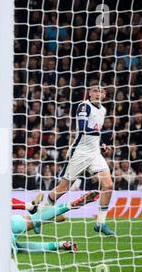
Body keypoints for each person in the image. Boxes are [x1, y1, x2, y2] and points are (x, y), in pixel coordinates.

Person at [44, 84, 115, 236]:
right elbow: (83, 129)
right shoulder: (84, 106)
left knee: (108, 185)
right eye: (95, 90)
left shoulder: (102, 110)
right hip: (80, 153)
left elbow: (96, 131)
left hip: (95, 153)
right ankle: (40, 216)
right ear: (89, 93)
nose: (98, 93)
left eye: (101, 91)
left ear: (104, 96)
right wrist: (104, 133)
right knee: (62, 189)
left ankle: (100, 223)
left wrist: (102, 142)